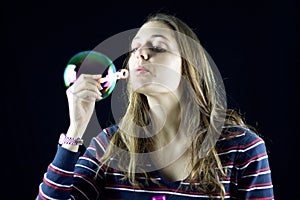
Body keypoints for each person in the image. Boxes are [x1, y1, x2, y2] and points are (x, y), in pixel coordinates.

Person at [36, 13, 274, 200]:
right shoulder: (109, 147)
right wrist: (75, 129)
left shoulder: (242, 149)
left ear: (188, 67)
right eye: (134, 49)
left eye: (158, 47)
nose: (141, 55)